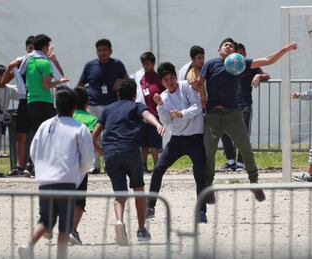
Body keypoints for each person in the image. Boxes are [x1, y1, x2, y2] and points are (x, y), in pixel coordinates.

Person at [193, 38, 297, 203]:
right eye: (225, 45)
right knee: (209, 150)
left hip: (234, 114)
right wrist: (196, 85)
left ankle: (254, 182)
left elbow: (268, 60)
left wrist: (285, 49)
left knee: (246, 149)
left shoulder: (240, 63)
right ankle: (208, 187)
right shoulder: (211, 64)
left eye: (231, 46)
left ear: (235, 52)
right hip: (213, 115)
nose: (228, 47)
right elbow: (199, 83)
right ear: (219, 50)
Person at [18, 87, 94, 259]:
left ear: (56, 105)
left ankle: (28, 245)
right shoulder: (79, 128)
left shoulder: (45, 125)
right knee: (65, 225)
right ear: (74, 107)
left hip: (45, 180)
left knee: (45, 219)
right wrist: (78, 173)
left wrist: (42, 168)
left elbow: (33, 150)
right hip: (67, 181)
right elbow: (88, 159)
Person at [92, 78, 165, 245]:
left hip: (110, 153)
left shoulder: (108, 109)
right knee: (138, 188)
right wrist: (157, 124)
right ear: (134, 94)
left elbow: (94, 135)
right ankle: (141, 230)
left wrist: (100, 150)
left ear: (118, 94)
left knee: (120, 193)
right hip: (130, 150)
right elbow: (147, 115)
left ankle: (119, 221)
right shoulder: (136, 105)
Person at [147, 62, 208, 223]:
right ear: (162, 82)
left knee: (199, 174)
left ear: (176, 76)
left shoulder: (186, 87)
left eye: (172, 77)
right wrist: (160, 105)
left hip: (195, 137)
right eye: (165, 80)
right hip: (177, 140)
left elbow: (197, 107)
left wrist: (182, 113)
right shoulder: (164, 96)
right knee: (158, 168)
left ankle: (202, 212)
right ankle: (150, 207)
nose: (170, 82)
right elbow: (166, 121)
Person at [19, 34, 70, 177]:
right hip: (44, 102)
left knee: (37, 133)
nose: (49, 48)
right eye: (48, 46)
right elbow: (46, 85)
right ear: (44, 47)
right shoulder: (45, 62)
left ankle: (30, 164)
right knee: (47, 134)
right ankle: (35, 164)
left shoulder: (28, 60)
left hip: (31, 101)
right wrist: (60, 82)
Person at [77, 38, 128, 174]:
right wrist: (77, 100)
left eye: (105, 50)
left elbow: (127, 80)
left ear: (110, 51)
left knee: (110, 135)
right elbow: (80, 84)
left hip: (112, 106)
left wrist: (120, 82)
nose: (102, 53)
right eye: (99, 50)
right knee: (93, 135)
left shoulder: (117, 64)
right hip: (93, 105)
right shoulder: (90, 65)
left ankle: (109, 163)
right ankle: (94, 165)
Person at [220, 43, 270, 171]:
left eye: (242, 53)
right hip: (227, 105)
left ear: (245, 55)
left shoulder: (249, 66)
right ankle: (230, 160)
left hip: (244, 105)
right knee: (224, 131)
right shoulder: (229, 65)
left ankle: (241, 162)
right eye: (238, 53)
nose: (240, 56)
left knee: (243, 134)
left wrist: (258, 76)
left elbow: (267, 74)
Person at [0, 36, 35, 177]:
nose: (31, 51)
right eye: (29, 48)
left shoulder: (42, 61)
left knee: (38, 134)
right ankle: (19, 167)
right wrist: (10, 68)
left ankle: (33, 165)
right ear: (26, 48)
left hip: (38, 101)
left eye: (34, 48)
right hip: (24, 100)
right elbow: (3, 83)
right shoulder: (20, 62)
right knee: (21, 135)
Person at [68, 87, 99, 245]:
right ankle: (72, 229)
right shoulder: (92, 119)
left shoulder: (65, 117)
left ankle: (48, 223)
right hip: (80, 165)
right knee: (79, 200)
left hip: (63, 163)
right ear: (87, 103)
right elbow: (92, 141)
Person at [131, 52, 165, 173]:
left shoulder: (158, 78)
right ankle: (143, 164)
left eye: (148, 64)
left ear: (153, 63)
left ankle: (157, 164)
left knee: (154, 142)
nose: (145, 66)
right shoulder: (139, 78)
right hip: (142, 115)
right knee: (143, 143)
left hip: (155, 116)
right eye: (144, 64)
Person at [0, 65, 19, 176]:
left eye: (3, 74)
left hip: (1, 118)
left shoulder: (10, 89)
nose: (0, 77)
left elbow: (21, 94)